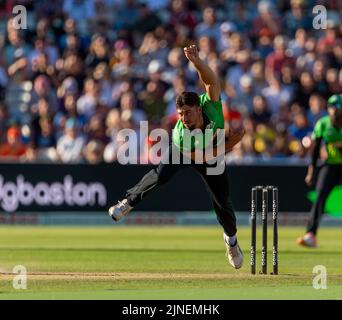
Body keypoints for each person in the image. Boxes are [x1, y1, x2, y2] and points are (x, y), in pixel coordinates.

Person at [107, 45, 245, 269]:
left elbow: (211, 82)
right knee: (161, 175)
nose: (184, 118)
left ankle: (231, 241)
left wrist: (197, 62)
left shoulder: (210, 105)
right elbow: (199, 157)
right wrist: (230, 144)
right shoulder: (181, 134)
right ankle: (127, 203)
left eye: (187, 113)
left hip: (212, 151)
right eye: (180, 114)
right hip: (190, 152)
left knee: (222, 200)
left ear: (199, 109)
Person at [297, 94, 342, 248]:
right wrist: (311, 171)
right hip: (331, 165)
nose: (335, 112)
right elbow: (315, 150)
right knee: (320, 197)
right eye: (332, 108)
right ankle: (311, 234)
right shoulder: (323, 124)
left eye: (338, 108)